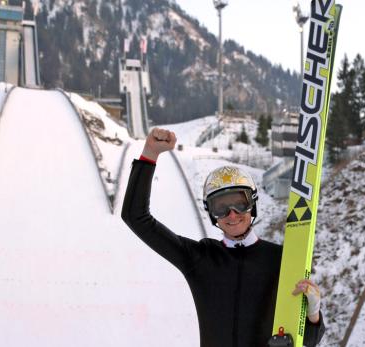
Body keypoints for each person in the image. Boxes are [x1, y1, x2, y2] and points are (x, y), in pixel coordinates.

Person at [122, 128, 325, 347]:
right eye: (221, 207)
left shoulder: (280, 260)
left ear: (253, 203)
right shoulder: (199, 258)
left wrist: (313, 314)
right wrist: (150, 154)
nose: (232, 214)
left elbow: (308, 341)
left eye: (240, 203)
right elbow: (135, 216)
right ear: (211, 214)